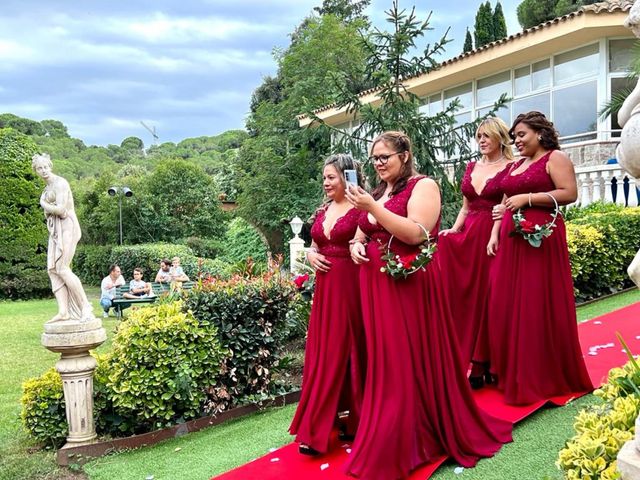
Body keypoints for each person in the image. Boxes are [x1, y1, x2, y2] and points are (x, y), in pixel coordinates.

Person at [346, 131, 511, 480]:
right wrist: (355, 246)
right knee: (387, 357)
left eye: (384, 157)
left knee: (407, 354)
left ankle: (415, 432)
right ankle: (396, 427)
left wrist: (372, 209)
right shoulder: (377, 192)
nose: (378, 164)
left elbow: (417, 233)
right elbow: (362, 230)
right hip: (376, 285)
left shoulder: (423, 186)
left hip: (409, 283)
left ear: (404, 155)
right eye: (374, 158)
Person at [487, 111, 593, 405]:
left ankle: (541, 376)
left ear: (540, 133)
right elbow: (505, 200)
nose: (517, 141)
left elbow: (569, 193)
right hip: (512, 239)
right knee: (508, 304)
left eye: (522, 135)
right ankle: (516, 373)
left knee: (534, 303)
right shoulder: (519, 164)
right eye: (515, 137)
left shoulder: (555, 158)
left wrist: (529, 199)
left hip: (540, 239)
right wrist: (497, 226)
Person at [289, 154, 366, 455]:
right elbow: (315, 244)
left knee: (350, 350)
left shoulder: (362, 205)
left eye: (331, 177)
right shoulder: (323, 210)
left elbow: (366, 241)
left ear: (348, 177)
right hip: (326, 289)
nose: (325, 182)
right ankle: (320, 424)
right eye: (324, 177)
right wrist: (309, 254)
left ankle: (357, 419)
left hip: (352, 286)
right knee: (324, 352)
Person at [437, 117, 514, 388]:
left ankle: (487, 363)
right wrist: (454, 230)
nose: (481, 140)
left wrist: (495, 233)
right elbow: (466, 207)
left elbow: (502, 209)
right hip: (469, 234)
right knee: (465, 297)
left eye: (486, 135)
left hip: (494, 236)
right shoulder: (472, 166)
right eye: (478, 135)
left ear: (500, 137)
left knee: (489, 298)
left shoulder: (511, 166)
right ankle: (469, 360)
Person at [32, 153, 93, 323]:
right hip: (56, 230)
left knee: (63, 267)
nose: (43, 170)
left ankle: (85, 306)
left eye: (45, 167)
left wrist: (43, 204)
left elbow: (60, 210)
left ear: (50, 166)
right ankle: (63, 311)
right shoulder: (47, 189)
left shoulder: (60, 183)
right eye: (39, 168)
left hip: (67, 226)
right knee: (53, 269)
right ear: (36, 171)